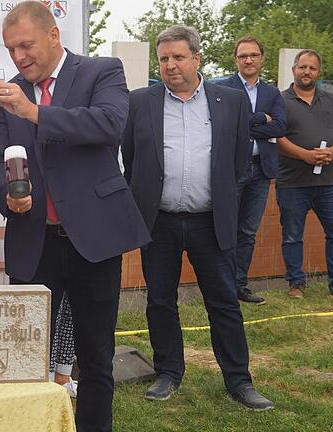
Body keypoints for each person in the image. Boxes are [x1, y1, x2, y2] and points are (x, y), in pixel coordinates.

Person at [0, 2, 150, 430]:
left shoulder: (102, 71)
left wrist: (35, 113)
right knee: (27, 357)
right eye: (11, 48)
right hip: (33, 241)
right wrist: (8, 198)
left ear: (53, 36)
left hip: (93, 238)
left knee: (95, 356)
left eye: (26, 45)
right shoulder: (7, 96)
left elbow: (109, 124)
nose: (19, 57)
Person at [122, 25, 273, 411]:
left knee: (223, 301)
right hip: (160, 221)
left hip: (211, 220)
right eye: (164, 59)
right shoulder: (141, 102)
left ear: (197, 58)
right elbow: (132, 158)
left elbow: (239, 160)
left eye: (178, 57)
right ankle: (169, 372)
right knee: (159, 300)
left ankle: (239, 380)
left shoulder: (231, 101)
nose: (170, 65)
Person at [216, 36, 286, 305]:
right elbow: (224, 124)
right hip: (233, 168)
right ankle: (222, 286)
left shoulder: (272, 93)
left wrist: (245, 125)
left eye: (253, 55)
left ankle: (239, 285)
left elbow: (280, 127)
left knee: (247, 231)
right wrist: (259, 119)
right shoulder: (223, 88)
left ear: (261, 58)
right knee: (226, 228)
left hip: (261, 170)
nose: (248, 60)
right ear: (235, 59)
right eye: (243, 55)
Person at [276, 49, 333, 298]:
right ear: (294, 70)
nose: (306, 72)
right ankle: (296, 284)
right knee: (291, 236)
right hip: (292, 182)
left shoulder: (330, 100)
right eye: (302, 67)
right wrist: (304, 155)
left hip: (328, 182)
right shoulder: (279, 100)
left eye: (312, 68)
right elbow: (275, 138)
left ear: (318, 72)